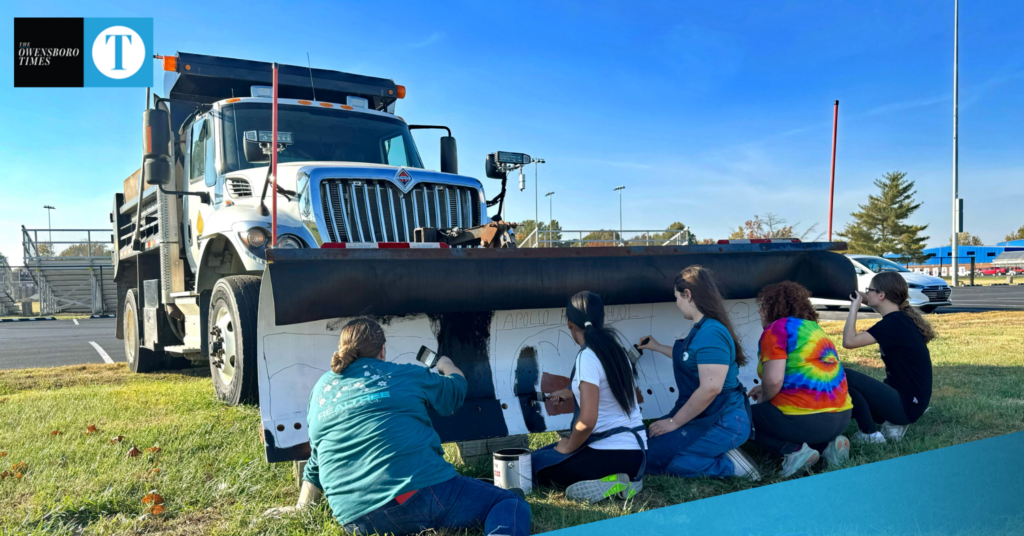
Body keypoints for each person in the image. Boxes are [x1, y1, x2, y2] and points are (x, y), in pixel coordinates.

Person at [264, 318, 531, 536]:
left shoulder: (321, 389)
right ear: (382, 350)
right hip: (420, 493)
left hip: (357, 520)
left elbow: (318, 457)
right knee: (508, 502)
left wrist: (302, 507)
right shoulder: (404, 373)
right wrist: (446, 365)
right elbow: (456, 391)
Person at [636, 265, 761, 481]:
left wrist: (674, 423)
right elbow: (689, 357)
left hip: (725, 420)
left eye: (677, 297)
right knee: (652, 446)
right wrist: (656, 346)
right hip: (710, 415)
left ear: (688, 294)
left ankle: (731, 466)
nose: (677, 304)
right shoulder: (704, 329)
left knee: (668, 459)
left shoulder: (712, 333)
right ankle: (714, 450)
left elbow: (711, 388)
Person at [531, 291, 648, 504]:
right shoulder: (616, 350)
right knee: (549, 450)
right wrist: (569, 392)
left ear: (569, 324)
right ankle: (628, 479)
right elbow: (605, 386)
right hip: (636, 453)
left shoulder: (587, 356)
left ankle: (606, 480)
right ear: (601, 320)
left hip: (609, 454)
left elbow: (587, 422)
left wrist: (569, 447)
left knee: (535, 463)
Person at [748, 281, 853, 478]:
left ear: (773, 307)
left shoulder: (776, 330)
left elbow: (773, 381)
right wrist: (763, 389)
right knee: (783, 416)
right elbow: (801, 376)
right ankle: (828, 446)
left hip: (806, 419)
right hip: (841, 416)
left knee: (739, 417)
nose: (760, 312)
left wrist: (764, 399)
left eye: (763, 306)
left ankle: (794, 452)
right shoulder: (813, 329)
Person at [842, 272, 935, 444]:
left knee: (844, 375)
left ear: (882, 295)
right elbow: (867, 297)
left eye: (869, 290)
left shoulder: (893, 324)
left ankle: (870, 434)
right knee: (850, 399)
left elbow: (848, 342)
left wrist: (853, 309)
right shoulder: (902, 318)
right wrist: (853, 293)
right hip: (909, 402)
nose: (866, 294)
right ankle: (890, 423)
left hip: (906, 406)